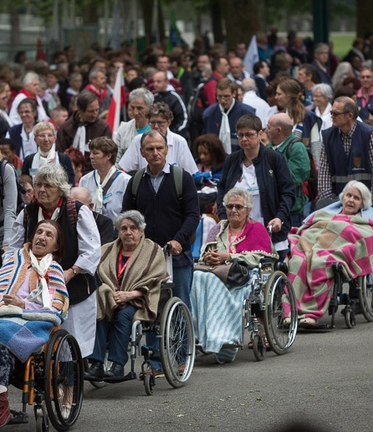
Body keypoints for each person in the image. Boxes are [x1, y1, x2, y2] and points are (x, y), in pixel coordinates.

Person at [0, 220, 68, 429]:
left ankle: (0, 398)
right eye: (39, 231)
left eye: (49, 235)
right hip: (2, 314)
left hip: (32, 320)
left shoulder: (54, 268)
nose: (42, 237)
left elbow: (58, 303)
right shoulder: (13, 263)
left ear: (55, 246)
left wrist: (24, 305)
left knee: (1, 336)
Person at [6, 164, 100, 358]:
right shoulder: (27, 213)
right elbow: (13, 249)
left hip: (74, 287)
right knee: (40, 342)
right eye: (39, 184)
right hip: (35, 289)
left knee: (72, 342)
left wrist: (70, 272)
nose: (41, 189)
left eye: (48, 186)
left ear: (61, 189)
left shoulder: (78, 211)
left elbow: (91, 250)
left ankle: (71, 380)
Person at [191, 188, 277, 364]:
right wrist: (208, 256)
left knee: (208, 279)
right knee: (197, 277)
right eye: (230, 206)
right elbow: (205, 253)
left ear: (248, 210)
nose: (233, 210)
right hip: (216, 273)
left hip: (243, 275)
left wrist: (229, 257)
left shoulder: (257, 229)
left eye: (239, 206)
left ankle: (224, 340)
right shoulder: (218, 229)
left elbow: (261, 256)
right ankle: (202, 337)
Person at [122, 129, 200, 310]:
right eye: (150, 149)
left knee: (180, 305)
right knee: (150, 307)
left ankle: (184, 339)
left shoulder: (182, 178)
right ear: (142, 152)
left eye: (159, 148)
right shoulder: (136, 181)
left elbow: (193, 215)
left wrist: (178, 240)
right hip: (145, 257)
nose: (155, 153)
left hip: (177, 256)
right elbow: (127, 217)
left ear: (167, 150)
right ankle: (153, 340)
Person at [84, 210, 167, 379]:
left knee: (123, 316)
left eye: (133, 228)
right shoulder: (107, 250)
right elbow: (97, 275)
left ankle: (117, 365)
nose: (128, 232)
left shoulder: (153, 250)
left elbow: (156, 279)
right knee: (99, 312)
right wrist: (110, 293)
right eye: (124, 228)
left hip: (138, 300)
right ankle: (97, 363)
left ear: (141, 231)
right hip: (109, 297)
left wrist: (130, 295)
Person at [287, 181, 373, 327]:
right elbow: (308, 228)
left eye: (356, 198)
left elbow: (366, 241)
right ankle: (291, 312)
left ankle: (312, 313)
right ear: (342, 198)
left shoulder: (364, 224)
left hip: (334, 252)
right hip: (311, 247)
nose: (351, 200)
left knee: (320, 264)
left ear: (362, 204)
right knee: (297, 262)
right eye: (348, 195)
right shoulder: (324, 215)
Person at [217, 114, 295, 259]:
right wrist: (223, 216)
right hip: (238, 234)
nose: (244, 139)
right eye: (240, 135)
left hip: (270, 230)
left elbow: (288, 193)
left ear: (260, 134)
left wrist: (280, 218)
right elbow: (222, 190)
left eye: (249, 134)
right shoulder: (232, 160)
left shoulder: (274, 159)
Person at [318, 96, 373, 214]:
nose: (332, 116)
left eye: (336, 113)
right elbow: (324, 173)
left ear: (349, 115)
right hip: (337, 203)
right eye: (331, 112)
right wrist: (327, 204)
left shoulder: (369, 135)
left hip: (365, 204)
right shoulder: (327, 136)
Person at [118, 102, 198, 174]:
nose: (156, 126)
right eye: (152, 122)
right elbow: (124, 169)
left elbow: (190, 172)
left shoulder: (179, 141)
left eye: (160, 123)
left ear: (169, 122)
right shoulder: (138, 140)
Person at [266, 113, 311, 227]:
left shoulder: (296, 148)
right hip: (270, 209)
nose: (266, 130)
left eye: (269, 127)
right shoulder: (268, 148)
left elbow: (293, 178)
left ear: (279, 130)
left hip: (291, 211)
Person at [78, 137, 131, 223]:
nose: (91, 156)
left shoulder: (125, 181)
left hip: (116, 232)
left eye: (95, 153)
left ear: (109, 156)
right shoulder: (85, 180)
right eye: (90, 153)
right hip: (91, 231)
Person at [56, 92, 112, 170]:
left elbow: (107, 155)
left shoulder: (103, 128)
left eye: (97, 110)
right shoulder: (65, 129)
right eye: (91, 111)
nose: (95, 114)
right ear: (79, 109)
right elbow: (60, 153)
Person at [202, 79, 257, 155]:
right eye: (219, 96)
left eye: (226, 96)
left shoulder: (246, 113)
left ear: (234, 93)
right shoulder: (209, 114)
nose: (223, 100)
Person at [275, 79, 323, 164]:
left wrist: (319, 172)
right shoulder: (278, 116)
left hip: (303, 166)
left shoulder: (309, 117)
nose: (276, 97)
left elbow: (315, 146)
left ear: (289, 96)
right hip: (282, 165)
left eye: (279, 94)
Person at [114, 89, 153, 162]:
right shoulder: (123, 129)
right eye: (132, 108)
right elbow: (116, 159)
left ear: (150, 108)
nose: (135, 113)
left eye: (139, 108)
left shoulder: (158, 129)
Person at [152, 71, 188, 139]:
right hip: (157, 136)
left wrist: (173, 133)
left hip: (175, 136)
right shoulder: (153, 98)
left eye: (158, 81)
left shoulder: (175, 98)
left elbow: (184, 119)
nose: (155, 84)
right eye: (154, 82)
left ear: (166, 82)